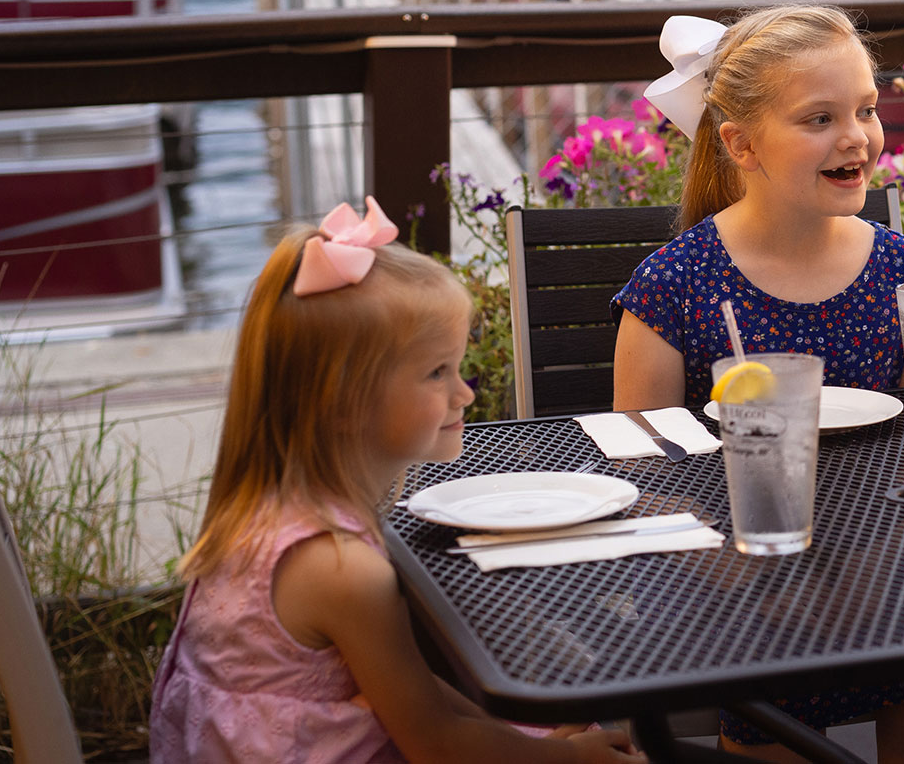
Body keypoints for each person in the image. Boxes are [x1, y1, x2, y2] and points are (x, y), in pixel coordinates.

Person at [611, 3, 904, 763]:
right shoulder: (674, 286)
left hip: (895, 562)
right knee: (770, 683)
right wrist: (745, 575)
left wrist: (879, 565)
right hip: (737, 583)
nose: (856, 136)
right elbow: (637, 467)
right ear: (741, 143)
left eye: (867, 110)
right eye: (819, 118)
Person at [152, 197, 641, 763]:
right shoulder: (341, 569)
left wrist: (517, 739)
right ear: (340, 402)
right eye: (437, 372)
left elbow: (404, 688)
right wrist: (571, 759)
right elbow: (433, 743)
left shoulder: (269, 510)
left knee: (560, 723)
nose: (465, 393)